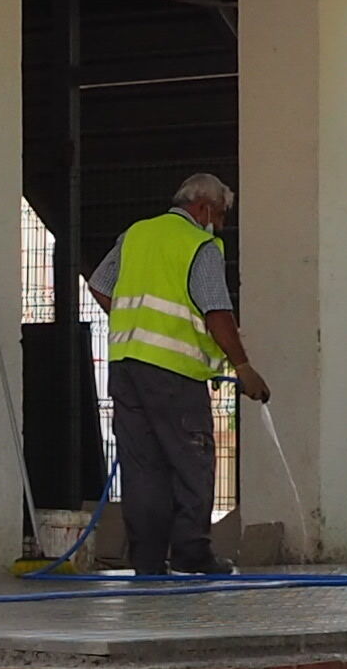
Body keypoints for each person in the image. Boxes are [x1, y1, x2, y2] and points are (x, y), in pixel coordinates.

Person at [83, 172, 273, 576]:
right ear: (204, 208)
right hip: (174, 373)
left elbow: (100, 284)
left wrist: (129, 324)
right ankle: (191, 554)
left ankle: (148, 562)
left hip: (127, 367)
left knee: (142, 468)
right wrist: (242, 366)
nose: (220, 225)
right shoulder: (200, 246)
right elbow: (216, 311)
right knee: (193, 461)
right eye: (220, 216)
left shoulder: (137, 233)